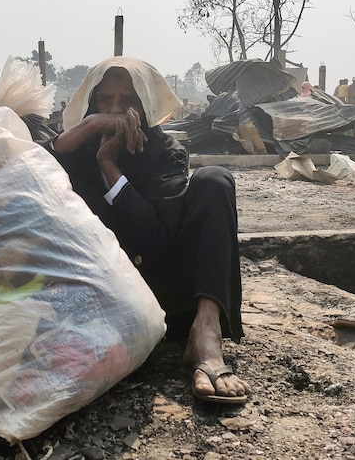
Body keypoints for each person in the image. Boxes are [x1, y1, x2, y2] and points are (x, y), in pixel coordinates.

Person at [45, 56, 250, 404]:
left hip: (159, 289)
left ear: (145, 107)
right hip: (99, 294)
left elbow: (154, 240)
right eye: (103, 102)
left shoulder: (163, 150)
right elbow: (26, 168)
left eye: (128, 102)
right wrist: (88, 129)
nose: (114, 112)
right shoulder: (74, 149)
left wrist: (110, 168)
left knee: (215, 181)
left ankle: (205, 335)